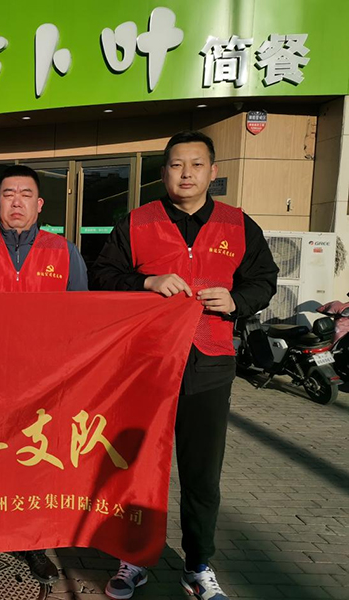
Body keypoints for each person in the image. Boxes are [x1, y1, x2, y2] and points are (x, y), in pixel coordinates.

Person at [91, 131, 277, 600]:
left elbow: (264, 280)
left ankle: (197, 565)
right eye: (176, 165)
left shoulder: (239, 225)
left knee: (201, 474)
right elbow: (102, 275)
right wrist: (147, 282)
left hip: (210, 362)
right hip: (146, 362)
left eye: (196, 164)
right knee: (135, 466)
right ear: (163, 173)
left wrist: (235, 300)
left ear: (213, 172)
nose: (186, 173)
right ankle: (133, 557)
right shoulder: (136, 222)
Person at [0, 164, 88, 585]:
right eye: (8, 194)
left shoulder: (64, 252)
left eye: (26, 194)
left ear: (39, 204)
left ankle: (34, 544)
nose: (17, 202)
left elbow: (81, 320)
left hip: (43, 385)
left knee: (35, 467)